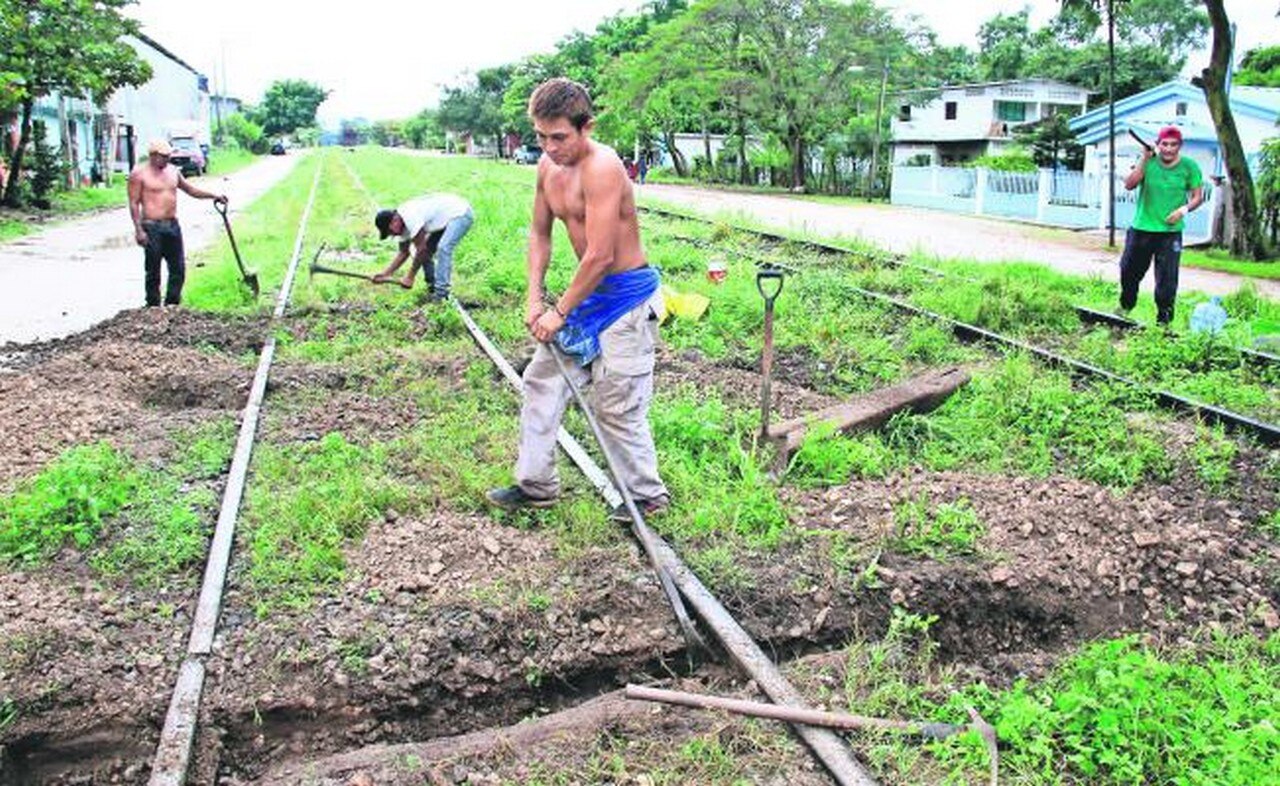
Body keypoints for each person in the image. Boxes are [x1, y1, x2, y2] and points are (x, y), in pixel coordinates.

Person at [486, 77, 669, 522]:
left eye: (559, 137)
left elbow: (601, 255)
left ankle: (647, 495)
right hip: (587, 297)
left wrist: (559, 311)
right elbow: (539, 234)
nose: (549, 147)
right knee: (541, 382)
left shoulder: (603, 168)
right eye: (540, 136)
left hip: (624, 300)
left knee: (616, 403)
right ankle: (536, 486)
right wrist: (534, 299)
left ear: (586, 127)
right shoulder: (547, 169)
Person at [1117, 125, 1204, 326]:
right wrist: (1144, 158)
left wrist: (1183, 210)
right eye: (1164, 144)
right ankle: (1126, 306)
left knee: (1167, 280)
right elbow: (1129, 184)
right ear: (1158, 144)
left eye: (1173, 145)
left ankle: (1163, 321)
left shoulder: (1189, 166)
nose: (1168, 148)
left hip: (1170, 233)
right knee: (1129, 271)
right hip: (1141, 228)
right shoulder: (1148, 162)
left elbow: (1197, 197)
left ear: (1179, 146)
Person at [127, 139, 227, 307]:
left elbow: (190, 189)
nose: (167, 159)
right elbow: (133, 203)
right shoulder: (139, 174)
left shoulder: (173, 172)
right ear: (153, 156)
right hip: (152, 226)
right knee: (153, 269)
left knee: (178, 268)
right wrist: (139, 230)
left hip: (172, 226)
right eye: (163, 156)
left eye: (168, 156)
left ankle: (172, 303)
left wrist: (213, 195)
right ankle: (152, 305)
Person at [372, 193, 473, 298]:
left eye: (390, 231)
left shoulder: (409, 216)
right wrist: (385, 274)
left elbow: (421, 249)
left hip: (460, 213)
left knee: (443, 248)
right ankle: (432, 286)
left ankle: (441, 293)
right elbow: (403, 252)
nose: (392, 235)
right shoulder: (402, 224)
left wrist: (410, 276)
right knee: (427, 251)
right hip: (444, 219)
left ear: (394, 221)